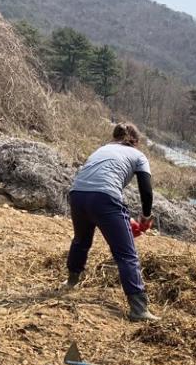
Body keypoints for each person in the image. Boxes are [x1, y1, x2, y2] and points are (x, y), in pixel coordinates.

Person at [64, 122, 158, 321]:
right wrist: (145, 216)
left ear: (115, 137)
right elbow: (146, 190)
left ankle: (71, 282)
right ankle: (139, 309)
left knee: (81, 240)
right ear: (136, 141)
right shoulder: (138, 155)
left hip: (77, 194)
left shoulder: (102, 149)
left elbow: (95, 180)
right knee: (126, 254)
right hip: (105, 198)